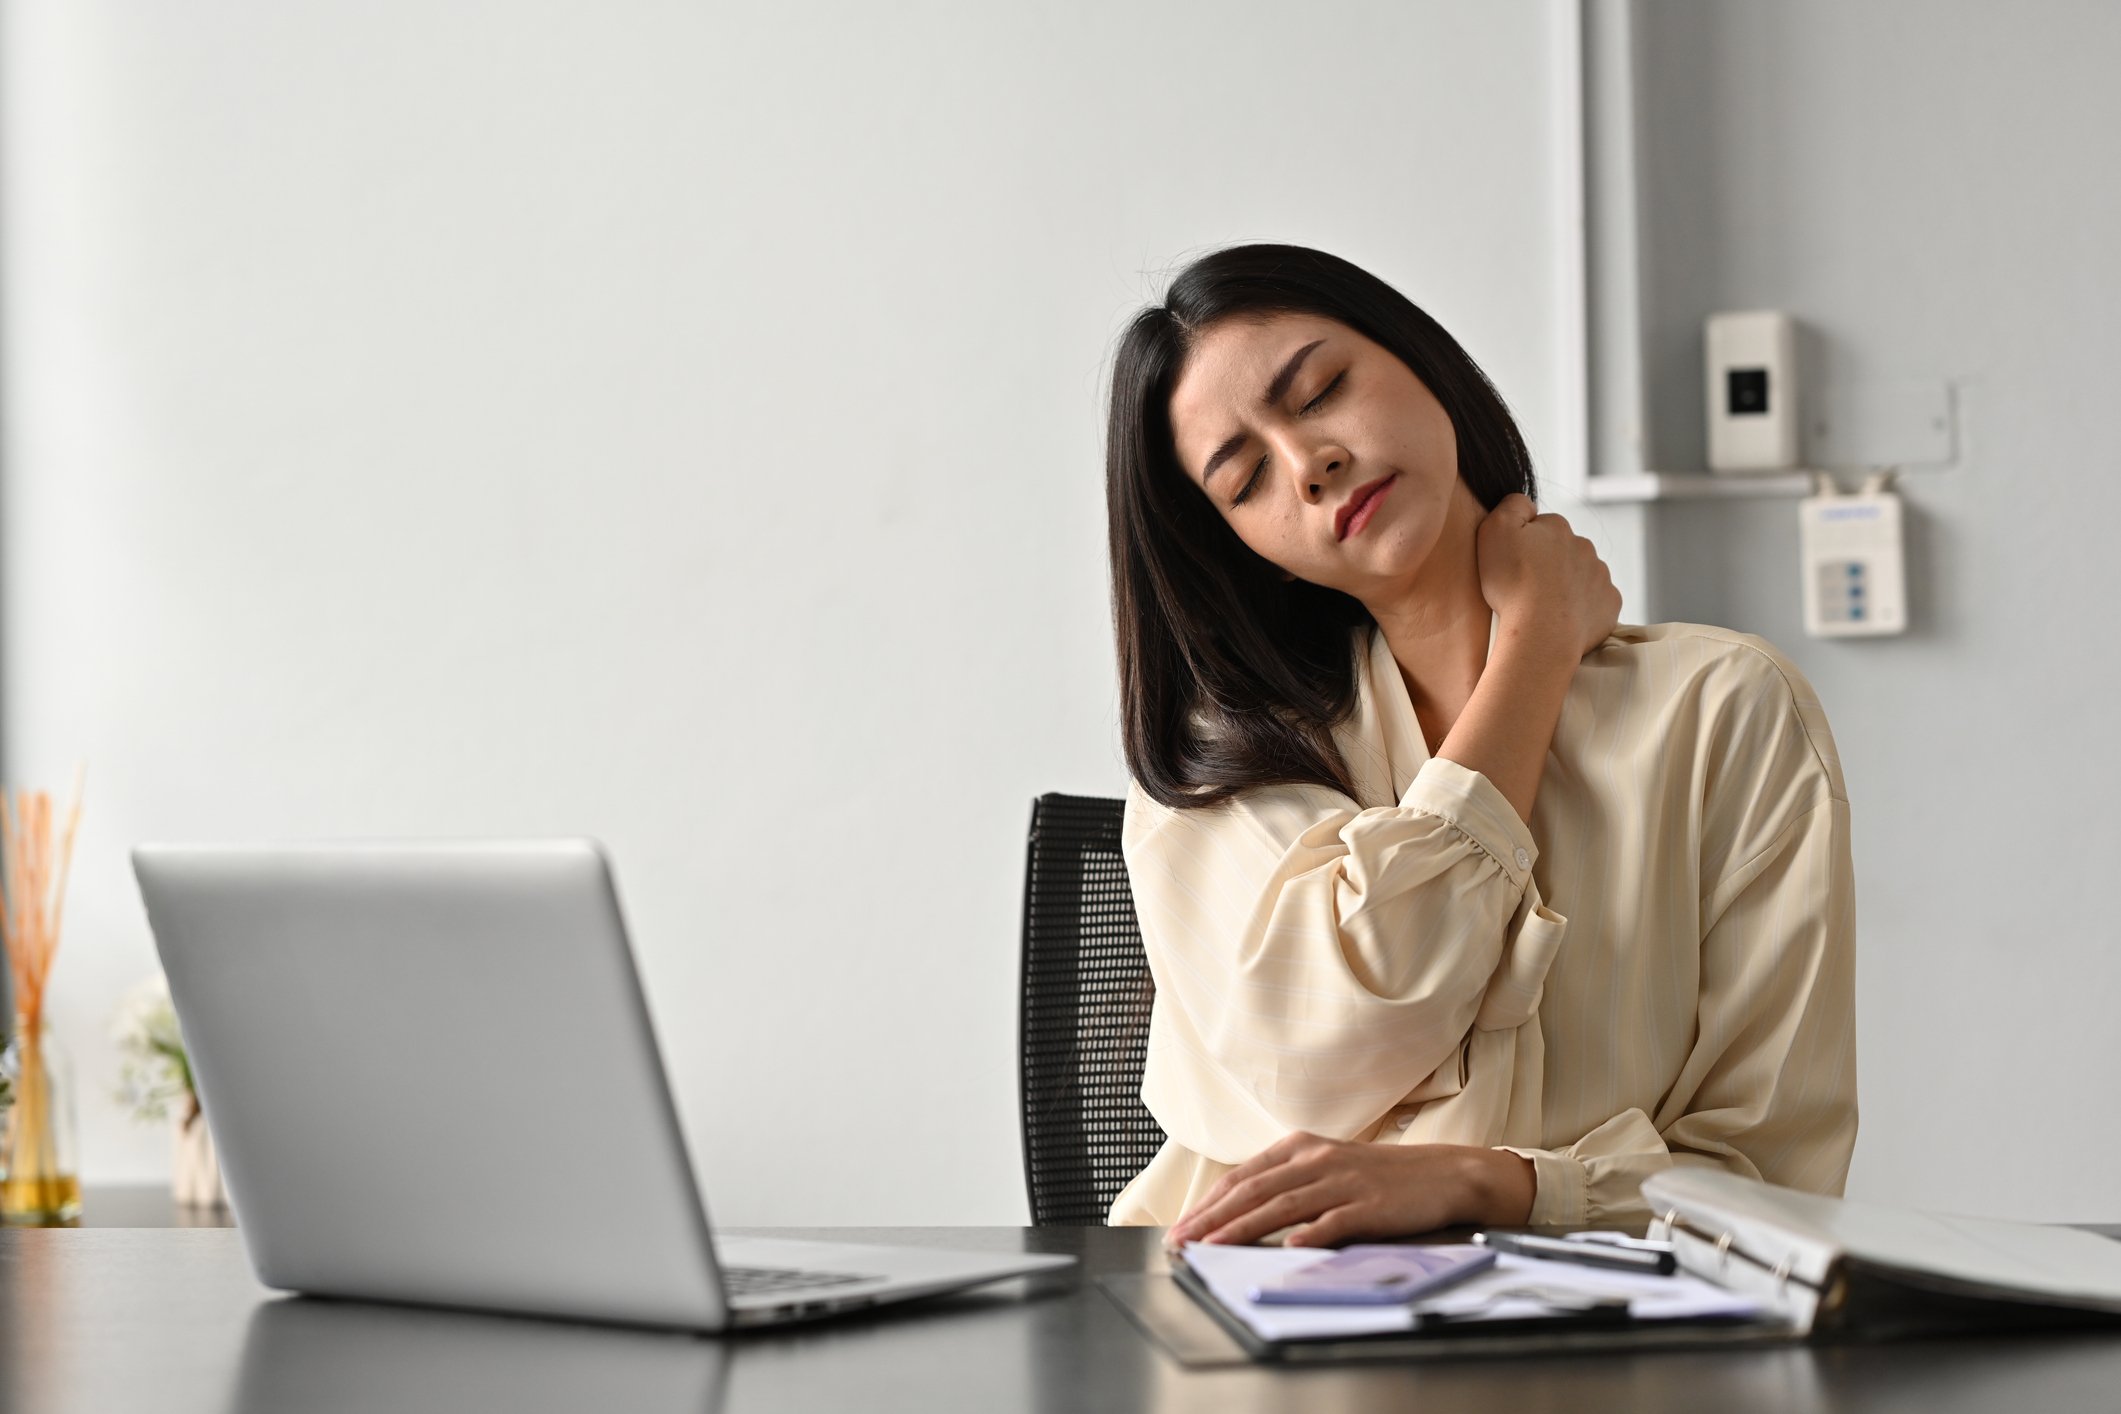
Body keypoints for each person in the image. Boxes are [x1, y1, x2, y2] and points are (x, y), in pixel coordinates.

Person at [1101, 243, 1856, 1246]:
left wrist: (1498, 1185)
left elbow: (1775, 1183)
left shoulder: (1726, 710)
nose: (1309, 463)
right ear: (1248, 552)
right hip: (1263, 1334)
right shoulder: (1215, 770)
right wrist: (1535, 649)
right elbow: (1329, 1059)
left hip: (1620, 1353)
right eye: (1246, 482)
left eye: (1322, 389)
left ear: (1424, 363)